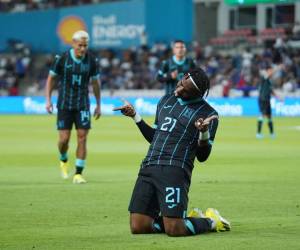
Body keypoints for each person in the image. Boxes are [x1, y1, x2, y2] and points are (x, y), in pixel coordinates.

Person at [113, 68, 231, 237]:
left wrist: (203, 132)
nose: (179, 87)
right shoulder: (166, 100)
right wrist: (135, 117)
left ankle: (211, 221)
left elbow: (203, 156)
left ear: (196, 93)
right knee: (138, 226)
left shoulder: (208, 114)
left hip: (175, 169)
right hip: (150, 164)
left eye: (185, 89)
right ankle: (185, 219)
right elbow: (154, 136)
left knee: (175, 230)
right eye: (182, 82)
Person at [45, 30, 101, 184]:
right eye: (80, 45)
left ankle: (78, 173)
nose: (83, 49)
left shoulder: (92, 61)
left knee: (82, 138)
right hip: (64, 104)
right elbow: (51, 79)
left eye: (85, 45)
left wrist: (98, 104)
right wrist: (48, 100)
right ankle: (63, 159)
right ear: (73, 43)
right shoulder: (62, 59)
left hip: (82, 104)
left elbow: (95, 84)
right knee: (64, 140)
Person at [256, 64, 282, 139]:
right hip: (263, 99)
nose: (271, 72)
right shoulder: (264, 77)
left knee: (269, 116)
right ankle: (258, 133)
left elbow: (271, 91)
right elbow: (268, 73)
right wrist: (277, 68)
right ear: (267, 71)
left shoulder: (269, 81)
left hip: (267, 99)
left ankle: (272, 133)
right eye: (270, 70)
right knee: (262, 115)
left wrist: (278, 97)